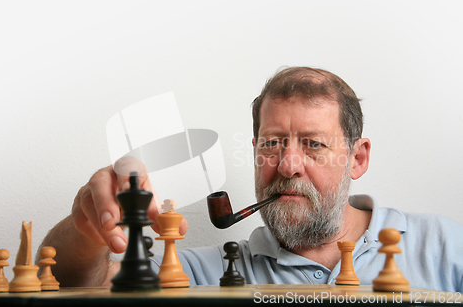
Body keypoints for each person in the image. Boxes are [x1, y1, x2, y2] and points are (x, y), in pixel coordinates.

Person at [39, 67, 463, 292]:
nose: (286, 165)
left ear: (357, 158)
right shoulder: (206, 273)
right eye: (272, 143)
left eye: (313, 144)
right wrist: (89, 228)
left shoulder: (446, 247)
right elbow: (72, 284)